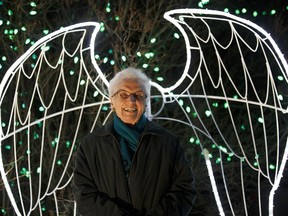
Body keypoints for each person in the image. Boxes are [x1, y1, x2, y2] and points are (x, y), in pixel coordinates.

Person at [72, 67, 196, 215]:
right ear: (112, 101)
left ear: (145, 101)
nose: (131, 101)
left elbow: (184, 189)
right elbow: (84, 194)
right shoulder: (91, 145)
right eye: (123, 94)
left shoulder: (168, 143)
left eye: (138, 95)